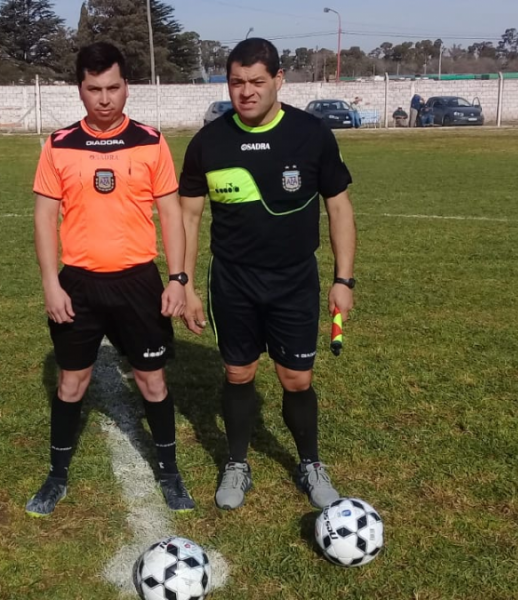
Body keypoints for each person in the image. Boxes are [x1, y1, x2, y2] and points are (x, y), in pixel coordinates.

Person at [178, 38, 357, 511]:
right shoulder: (208, 142)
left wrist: (344, 279)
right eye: (236, 82)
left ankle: (310, 463)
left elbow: (338, 207)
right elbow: (189, 217)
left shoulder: (312, 133)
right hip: (233, 279)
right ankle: (237, 463)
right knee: (238, 372)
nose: (246, 92)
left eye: (257, 81)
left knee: (296, 378)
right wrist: (185, 284)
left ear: (279, 79)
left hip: (294, 279)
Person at [26, 41, 194, 517]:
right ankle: (57, 476)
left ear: (127, 87)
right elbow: (43, 218)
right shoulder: (59, 145)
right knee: (72, 383)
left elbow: (170, 213)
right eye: (94, 89)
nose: (104, 99)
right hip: (77, 283)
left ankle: (169, 472)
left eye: (113, 88)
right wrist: (50, 284)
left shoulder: (151, 141)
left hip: (138, 282)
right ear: (80, 89)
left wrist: (178, 278)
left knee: (152, 381)